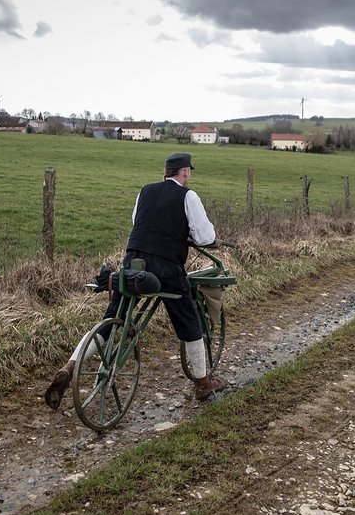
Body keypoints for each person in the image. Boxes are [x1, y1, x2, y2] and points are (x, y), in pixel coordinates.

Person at [44, 152, 227, 409]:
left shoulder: (145, 191)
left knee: (109, 321)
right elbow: (204, 235)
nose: (189, 176)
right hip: (165, 269)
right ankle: (203, 383)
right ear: (185, 172)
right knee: (190, 321)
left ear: (166, 172)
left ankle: (70, 366)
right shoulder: (189, 196)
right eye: (189, 172)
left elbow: (137, 222)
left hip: (131, 264)